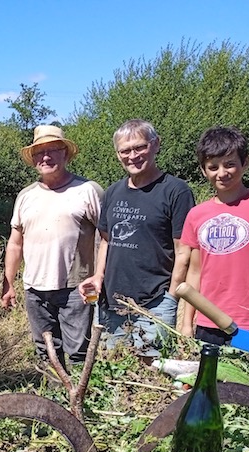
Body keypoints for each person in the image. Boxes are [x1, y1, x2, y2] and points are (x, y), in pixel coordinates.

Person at [79, 119, 195, 361]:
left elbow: (183, 251)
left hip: (155, 302)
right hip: (112, 301)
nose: (132, 156)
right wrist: (98, 277)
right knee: (113, 370)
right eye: (125, 150)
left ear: (155, 145)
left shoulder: (176, 191)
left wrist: (172, 297)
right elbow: (106, 242)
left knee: (153, 371)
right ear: (117, 154)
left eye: (139, 147)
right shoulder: (113, 191)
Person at [2, 125, 102, 368]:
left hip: (76, 288)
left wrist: (100, 276)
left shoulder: (88, 190)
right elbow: (15, 243)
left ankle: (81, 400)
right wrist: (9, 283)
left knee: (79, 352)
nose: (45, 157)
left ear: (65, 154)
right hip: (34, 288)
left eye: (53, 150)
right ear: (33, 159)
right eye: (39, 152)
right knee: (45, 352)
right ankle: (52, 403)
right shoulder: (26, 196)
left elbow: (106, 237)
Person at [180, 126, 249, 344]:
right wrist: (186, 323)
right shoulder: (196, 215)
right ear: (203, 170)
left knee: (248, 379)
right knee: (209, 379)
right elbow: (195, 271)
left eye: (230, 164)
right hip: (208, 322)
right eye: (213, 167)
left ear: (245, 163)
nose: (222, 173)